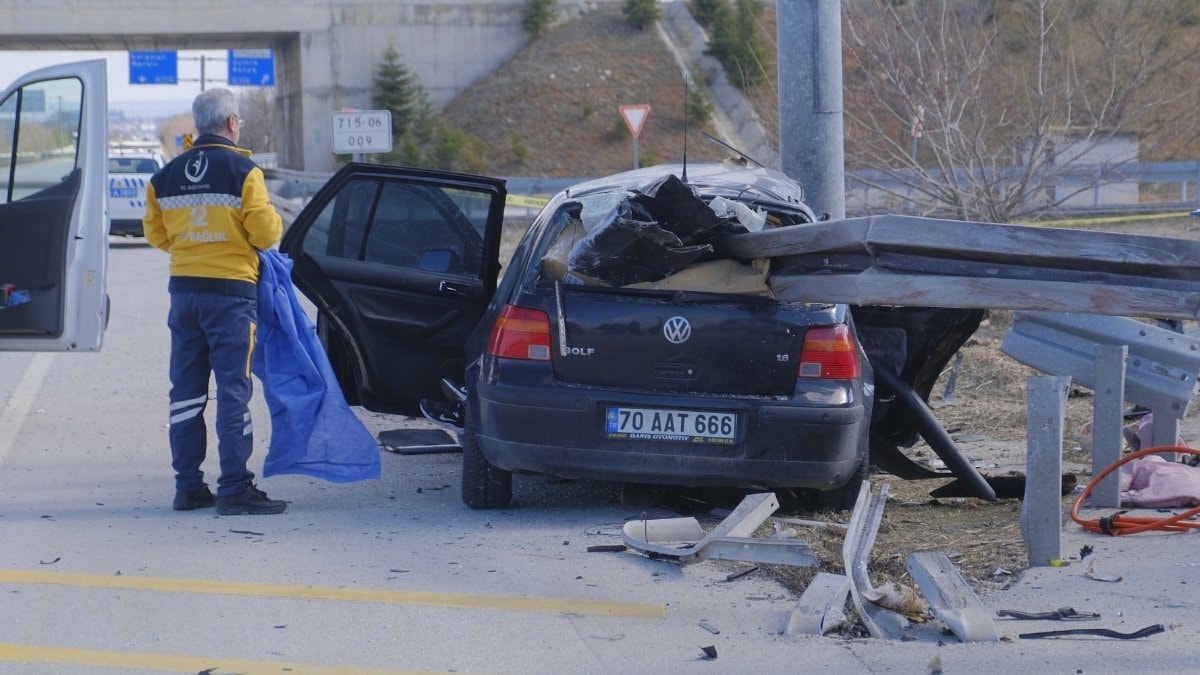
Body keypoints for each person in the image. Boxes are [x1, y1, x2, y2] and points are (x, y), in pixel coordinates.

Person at [143, 88, 286, 515]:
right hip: (230, 296)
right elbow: (266, 235)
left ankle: (188, 488)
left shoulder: (165, 175)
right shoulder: (244, 171)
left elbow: (157, 235)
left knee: (185, 393)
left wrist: (192, 247)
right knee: (233, 392)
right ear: (230, 123)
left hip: (184, 294)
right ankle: (234, 489)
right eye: (238, 120)